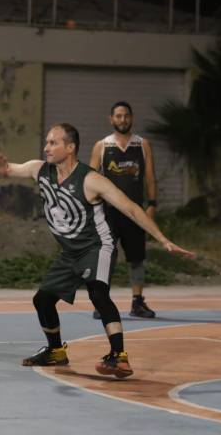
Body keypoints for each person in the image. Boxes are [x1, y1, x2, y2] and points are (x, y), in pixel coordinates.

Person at [0, 123, 193, 378]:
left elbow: (130, 208)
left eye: (53, 143)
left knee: (97, 292)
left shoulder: (91, 179)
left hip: (98, 246)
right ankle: (56, 351)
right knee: (42, 300)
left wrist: (163, 239)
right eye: (47, 142)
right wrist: (0, 171)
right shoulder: (38, 169)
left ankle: (118, 356)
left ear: (71, 147)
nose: (46, 147)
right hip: (69, 252)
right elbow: (9, 170)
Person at [89, 101, 157, 318]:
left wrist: (152, 205)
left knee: (136, 258)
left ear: (132, 118)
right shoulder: (102, 146)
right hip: (108, 212)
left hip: (134, 211)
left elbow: (149, 178)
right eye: (118, 116)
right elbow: (90, 179)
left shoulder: (142, 144)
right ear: (111, 119)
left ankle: (137, 303)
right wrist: (92, 209)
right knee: (105, 256)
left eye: (126, 116)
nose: (122, 119)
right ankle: (102, 302)